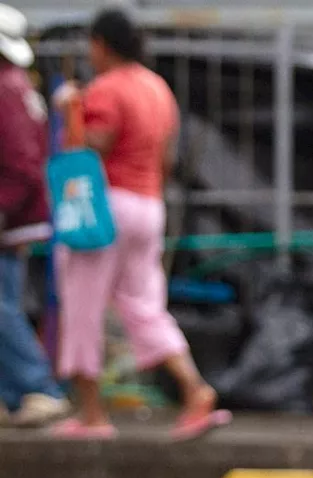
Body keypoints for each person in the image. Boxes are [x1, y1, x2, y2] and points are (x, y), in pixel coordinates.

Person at [49, 7, 228, 441]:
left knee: (82, 304)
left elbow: (93, 146)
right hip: (149, 205)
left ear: (101, 45)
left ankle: (92, 416)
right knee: (145, 306)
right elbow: (167, 159)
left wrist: (70, 109)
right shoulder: (158, 88)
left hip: (104, 205)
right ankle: (195, 390)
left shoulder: (106, 90)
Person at [0, 4, 72, 428]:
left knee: (2, 308)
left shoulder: (5, 88)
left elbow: (22, 164)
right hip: (19, 214)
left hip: (10, 215)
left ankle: (36, 385)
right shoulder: (19, 85)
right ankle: (16, 392)